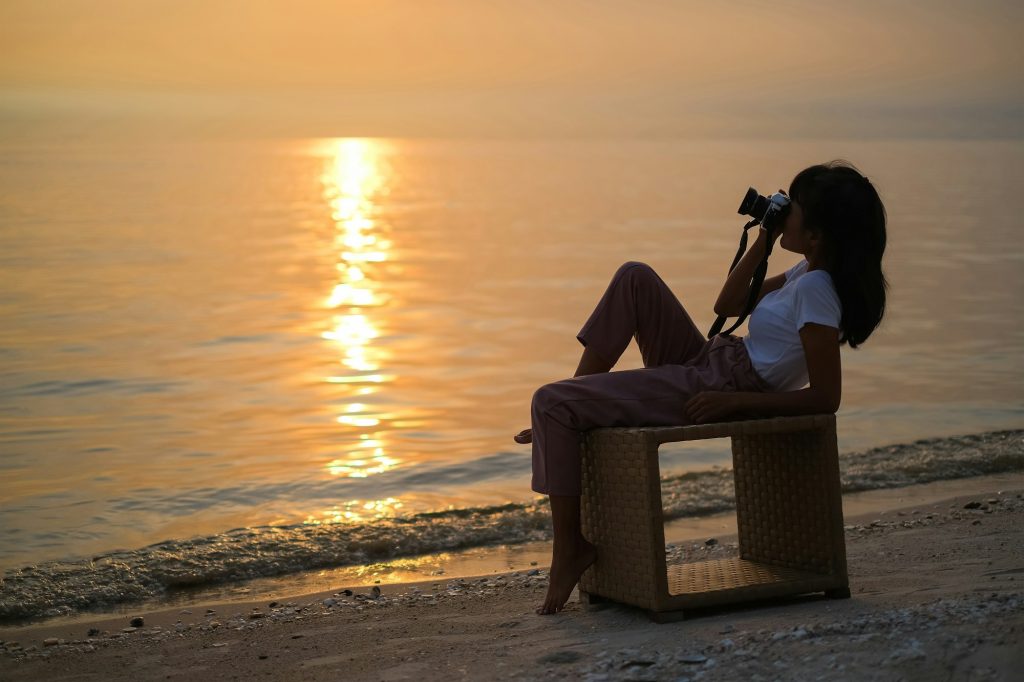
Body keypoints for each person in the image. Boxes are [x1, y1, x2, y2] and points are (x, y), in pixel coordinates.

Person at [514, 160, 888, 615]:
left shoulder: (817, 291)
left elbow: (826, 398)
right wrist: (764, 239)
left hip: (722, 382)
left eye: (794, 207)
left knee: (548, 401)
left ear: (817, 234)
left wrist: (733, 402)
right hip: (712, 360)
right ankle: (570, 413)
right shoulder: (803, 273)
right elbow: (727, 303)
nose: (783, 209)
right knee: (635, 277)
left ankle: (570, 541)